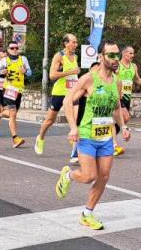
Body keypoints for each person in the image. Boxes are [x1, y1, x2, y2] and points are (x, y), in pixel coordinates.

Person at [54, 41, 129, 230]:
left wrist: (124, 126)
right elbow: (68, 100)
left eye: (117, 55)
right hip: (87, 134)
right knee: (88, 176)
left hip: (105, 137)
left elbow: (116, 108)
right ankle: (68, 175)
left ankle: (88, 213)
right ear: (101, 57)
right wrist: (73, 127)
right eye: (110, 55)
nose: (115, 59)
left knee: (103, 176)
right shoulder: (89, 79)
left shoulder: (117, 82)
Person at [35, 34, 80, 155]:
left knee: (76, 120)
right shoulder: (59, 56)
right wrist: (70, 71)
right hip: (59, 92)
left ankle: (75, 148)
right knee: (50, 120)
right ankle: (40, 138)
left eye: (76, 43)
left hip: (72, 92)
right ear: (66, 43)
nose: (76, 45)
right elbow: (52, 75)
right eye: (73, 42)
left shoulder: (75, 56)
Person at [0, 41, 32, 148]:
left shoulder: (23, 59)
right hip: (9, 89)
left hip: (19, 90)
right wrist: (2, 72)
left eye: (16, 48)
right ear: (8, 50)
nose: (14, 50)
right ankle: (15, 138)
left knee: (12, 114)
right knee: (13, 113)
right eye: (12, 48)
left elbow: (30, 73)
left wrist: (25, 71)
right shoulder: (5, 60)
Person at [114, 46, 141, 155]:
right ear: (124, 54)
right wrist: (117, 90)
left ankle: (110, 140)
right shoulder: (118, 66)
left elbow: (136, 79)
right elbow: (111, 78)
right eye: (130, 53)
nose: (132, 55)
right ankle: (113, 144)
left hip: (127, 97)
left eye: (133, 53)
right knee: (125, 117)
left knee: (120, 120)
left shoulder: (134, 66)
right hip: (118, 96)